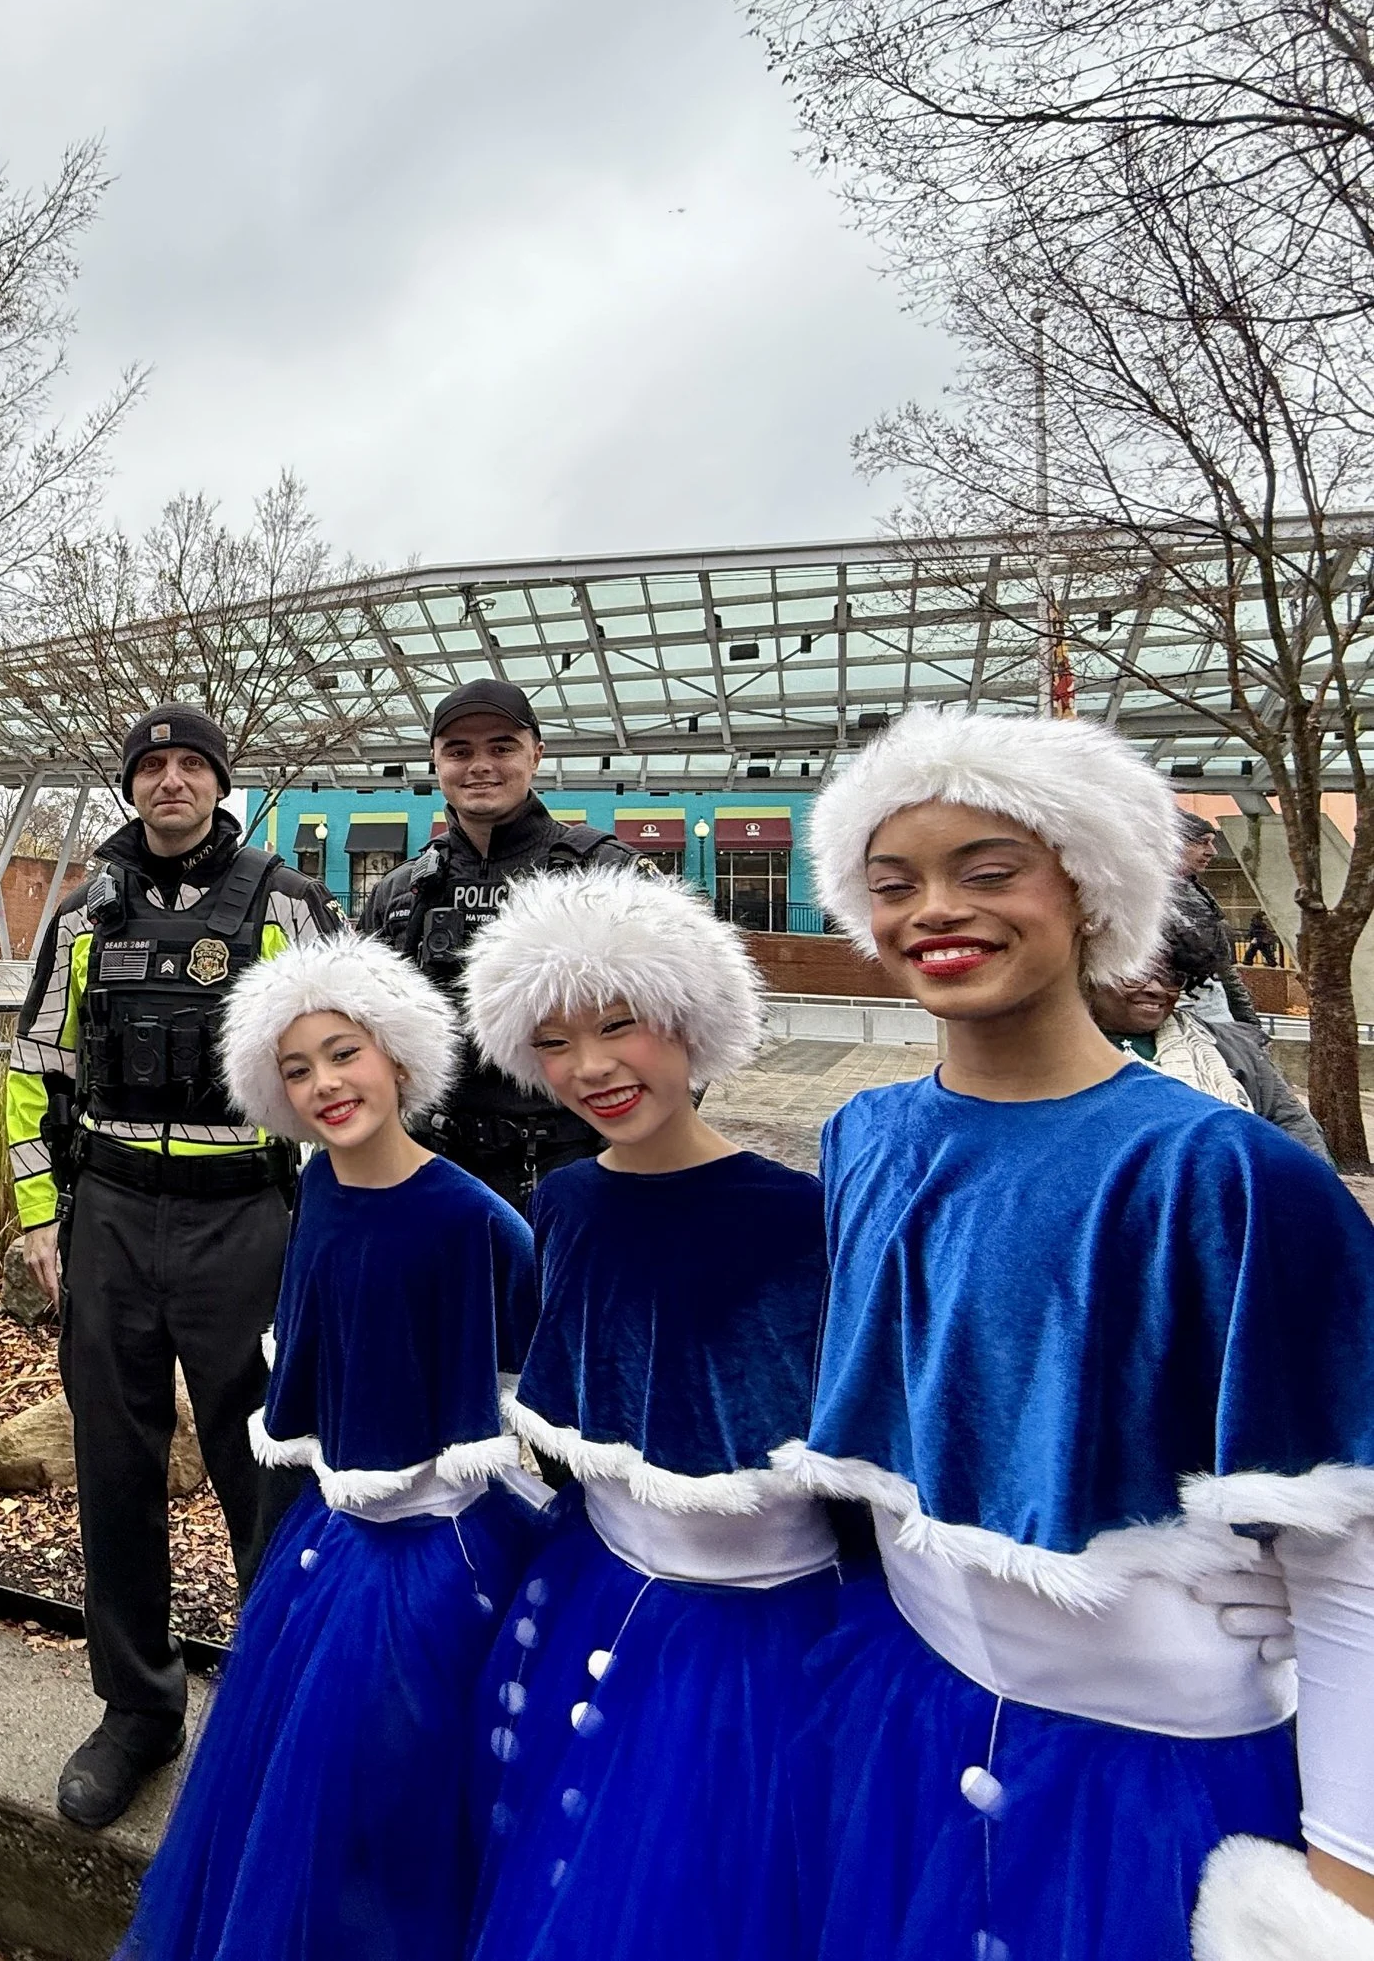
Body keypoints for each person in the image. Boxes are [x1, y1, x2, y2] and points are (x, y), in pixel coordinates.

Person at [786, 706, 1374, 1959]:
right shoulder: (863, 1139)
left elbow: (1349, 1565)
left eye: (987, 871)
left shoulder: (1232, 1173)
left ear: (1088, 889)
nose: (934, 908)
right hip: (908, 1728)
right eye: (893, 884)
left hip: (1148, 1790)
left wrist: (1344, 1891)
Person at [116, 935, 542, 1961]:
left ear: (398, 1058)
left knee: (399, 1803)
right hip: (330, 1544)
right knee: (305, 1799)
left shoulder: (476, 1223)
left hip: (435, 1562)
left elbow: (522, 1408)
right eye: (296, 1068)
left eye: (343, 1053)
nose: (324, 1084)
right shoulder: (316, 1193)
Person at [460, 867, 837, 1961]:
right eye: (556, 1041)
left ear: (688, 1020)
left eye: (618, 1024)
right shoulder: (566, 1201)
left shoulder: (799, 1219)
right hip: (592, 1592)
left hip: (759, 1643)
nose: (590, 1067)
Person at [4, 702, 344, 1831]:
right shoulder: (84, 911)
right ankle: (137, 1712)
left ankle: (276, 1710)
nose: (169, 783)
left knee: (268, 1474)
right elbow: (33, 1069)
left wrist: (335, 1224)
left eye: (189, 766)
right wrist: (39, 1217)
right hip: (106, 1216)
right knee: (114, 1464)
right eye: (149, 768)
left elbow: (345, 1063)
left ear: (218, 784)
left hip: (241, 1217)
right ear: (129, 788)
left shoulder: (285, 904)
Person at [360, 679, 635, 1212]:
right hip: (434, 1170)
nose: (480, 765)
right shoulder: (401, 891)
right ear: (436, 763)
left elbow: (691, 1028)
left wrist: (633, 1152)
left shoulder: (605, 875)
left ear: (537, 754)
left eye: (501, 747)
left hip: (577, 1172)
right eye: (459, 751)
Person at [1088, 901, 1329, 1162]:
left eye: (1172, 977)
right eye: (1138, 974)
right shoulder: (1054, 1056)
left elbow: (1295, 1128)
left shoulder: (1235, 1048)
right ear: (1092, 973)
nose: (1156, 989)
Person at [1171, 809, 1261, 1030]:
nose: (1212, 851)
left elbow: (1221, 966)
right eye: (1202, 842)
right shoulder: (1142, 894)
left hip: (1205, 1002)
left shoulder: (1194, 891)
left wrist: (1249, 1023)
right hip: (1178, 1005)